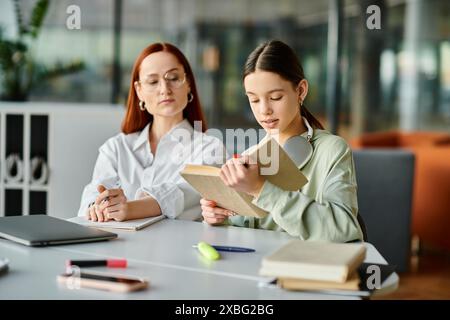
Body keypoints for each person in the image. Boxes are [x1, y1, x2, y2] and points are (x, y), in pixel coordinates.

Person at [200, 40, 364, 242]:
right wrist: (220, 217)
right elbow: (249, 228)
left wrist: (261, 189)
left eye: (276, 97)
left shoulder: (332, 150)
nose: (264, 110)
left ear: (301, 90)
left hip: (308, 267)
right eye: (254, 100)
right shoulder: (253, 156)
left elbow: (343, 228)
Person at [78, 42, 225, 222]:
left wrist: (129, 209)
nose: (165, 89)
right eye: (153, 81)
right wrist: (98, 207)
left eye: (173, 77)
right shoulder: (116, 148)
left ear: (188, 85)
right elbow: (91, 197)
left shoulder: (210, 148)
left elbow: (182, 194)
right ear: (139, 91)